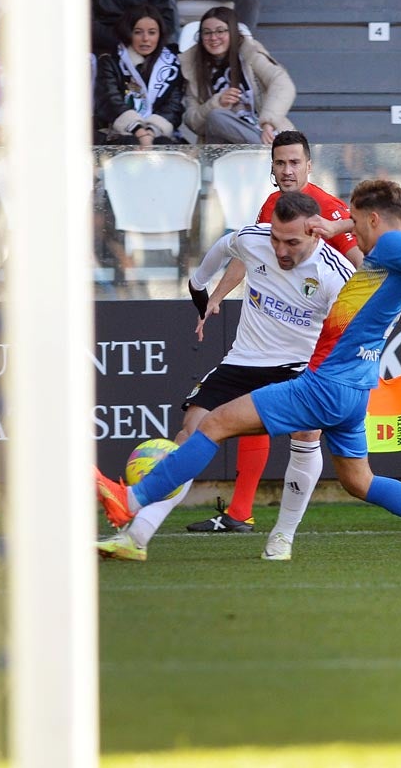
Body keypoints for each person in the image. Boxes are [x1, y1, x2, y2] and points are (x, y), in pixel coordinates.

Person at [96, 179, 401, 560]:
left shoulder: (394, 245)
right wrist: (336, 221)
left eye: (356, 224)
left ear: (374, 221)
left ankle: (130, 500)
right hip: (353, 392)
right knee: (360, 482)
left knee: (212, 426)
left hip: (323, 385)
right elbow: (393, 231)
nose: (350, 235)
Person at [182, 130, 401, 535]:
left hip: (332, 324)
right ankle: (241, 512)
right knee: (268, 413)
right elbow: (256, 253)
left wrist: (338, 314)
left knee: (326, 417)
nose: (286, 170)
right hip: (295, 329)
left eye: (294, 163)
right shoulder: (276, 206)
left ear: (309, 165)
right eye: (279, 163)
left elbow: (362, 269)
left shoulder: (331, 207)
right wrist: (218, 295)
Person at [97, 191, 356, 562]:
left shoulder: (335, 276)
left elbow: (354, 333)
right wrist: (200, 287)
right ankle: (136, 537)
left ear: (316, 234)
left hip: (298, 365)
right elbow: (223, 246)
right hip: (242, 361)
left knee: (307, 433)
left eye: (292, 242)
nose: (281, 250)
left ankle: (282, 537)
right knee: (190, 431)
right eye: (276, 239)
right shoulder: (254, 239)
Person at [180, 5, 295, 145]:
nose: (213, 37)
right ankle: (272, 152)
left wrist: (268, 123)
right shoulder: (192, 67)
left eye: (220, 31)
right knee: (217, 116)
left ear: (233, 32)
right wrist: (217, 102)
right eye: (206, 32)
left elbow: (283, 84)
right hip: (220, 146)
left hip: (262, 131)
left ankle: (268, 150)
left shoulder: (250, 54)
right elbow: (192, 121)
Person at [93, 3, 186, 146]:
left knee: (163, 146)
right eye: (138, 32)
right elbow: (110, 101)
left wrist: (151, 131)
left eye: (152, 32)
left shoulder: (172, 63)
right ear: (128, 33)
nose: (145, 39)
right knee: (130, 143)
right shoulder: (110, 61)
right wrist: (138, 130)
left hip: (157, 133)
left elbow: (173, 106)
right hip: (116, 133)